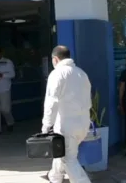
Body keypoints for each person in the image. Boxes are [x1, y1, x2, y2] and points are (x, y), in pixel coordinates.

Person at [41, 45, 92, 183]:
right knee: (61, 154)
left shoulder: (57, 74)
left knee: (69, 159)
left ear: (55, 59)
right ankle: (55, 177)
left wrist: (46, 125)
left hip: (66, 125)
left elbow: (51, 101)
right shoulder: (81, 73)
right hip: (83, 123)